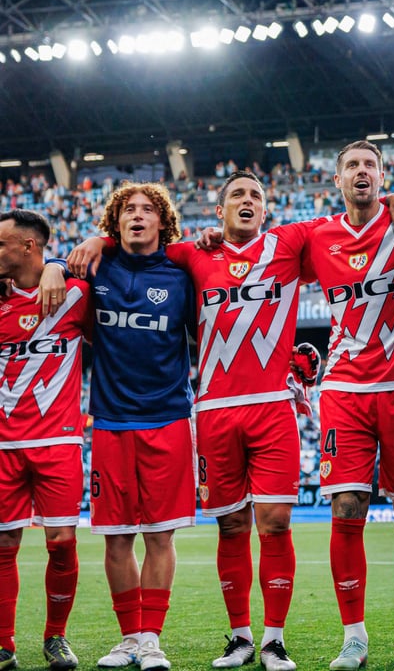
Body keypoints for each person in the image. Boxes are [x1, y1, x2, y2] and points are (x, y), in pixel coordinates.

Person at [69, 170, 318, 671]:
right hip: (183, 414)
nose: (246, 201)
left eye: (255, 195)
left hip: (216, 412)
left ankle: (271, 640)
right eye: (236, 194)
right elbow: (115, 252)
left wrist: (393, 198)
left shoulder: (273, 248)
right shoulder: (176, 258)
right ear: (218, 210)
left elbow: (348, 237)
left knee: (272, 523)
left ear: (266, 208)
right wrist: (92, 243)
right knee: (226, 525)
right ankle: (234, 638)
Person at [307, 140, 394, 669]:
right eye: (351, 165)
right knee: (347, 509)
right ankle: (353, 637)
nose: (361, 172)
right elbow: (252, 255)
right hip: (345, 390)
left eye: (370, 165)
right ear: (337, 180)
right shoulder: (316, 237)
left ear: (382, 176)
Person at [81, 184, 197, 671]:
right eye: (128, 209)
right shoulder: (95, 267)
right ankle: (128, 637)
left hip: (168, 419)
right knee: (115, 538)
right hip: (110, 420)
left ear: (161, 222)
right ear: (115, 221)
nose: (137, 216)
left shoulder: (183, 274)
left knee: (160, 537)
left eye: (147, 210)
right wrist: (73, 255)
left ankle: (151, 640)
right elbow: (53, 272)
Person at [0, 210, 88, 671]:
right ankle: (3, 644)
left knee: (62, 542)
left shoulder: (75, 296)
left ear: (29, 246)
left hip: (58, 441)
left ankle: (56, 637)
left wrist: (58, 264)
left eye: (1, 244)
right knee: (2, 545)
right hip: (2, 446)